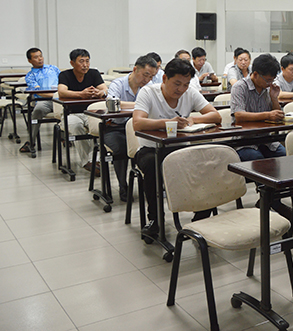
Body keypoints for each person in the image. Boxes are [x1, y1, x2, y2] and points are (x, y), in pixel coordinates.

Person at [133, 58, 221, 238]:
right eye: (177, 84)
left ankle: (200, 219)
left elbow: (215, 116)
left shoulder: (190, 93)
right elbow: (137, 123)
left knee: (209, 162)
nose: (181, 89)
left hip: (180, 149)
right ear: (165, 78)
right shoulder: (148, 92)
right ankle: (155, 219)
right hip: (152, 149)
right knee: (151, 165)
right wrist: (168, 123)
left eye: (186, 84)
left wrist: (193, 119)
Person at [105, 55, 158, 201]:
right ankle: (123, 186)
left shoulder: (149, 87)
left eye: (151, 76)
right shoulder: (118, 84)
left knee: (150, 148)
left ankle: (150, 185)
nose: (147, 79)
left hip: (138, 129)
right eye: (145, 75)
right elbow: (112, 103)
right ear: (135, 69)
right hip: (115, 128)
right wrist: (140, 105)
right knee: (121, 148)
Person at [57, 48, 108, 174]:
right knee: (75, 126)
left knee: (103, 126)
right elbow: (61, 92)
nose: (85, 65)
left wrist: (100, 92)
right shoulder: (65, 75)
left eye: (87, 61)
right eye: (81, 61)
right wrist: (81, 94)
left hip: (91, 113)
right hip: (71, 113)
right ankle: (88, 162)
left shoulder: (94, 73)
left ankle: (95, 160)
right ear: (72, 63)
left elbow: (105, 89)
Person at [230, 53, 286, 161]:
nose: (270, 83)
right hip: (244, 140)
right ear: (255, 74)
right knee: (256, 159)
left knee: (283, 154)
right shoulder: (240, 87)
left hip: (265, 139)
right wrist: (267, 115)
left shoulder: (268, 88)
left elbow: (277, 116)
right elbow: (239, 115)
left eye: (272, 80)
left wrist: (274, 98)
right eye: (268, 80)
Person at [21, 48, 61, 154]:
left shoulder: (53, 68)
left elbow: (63, 83)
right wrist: (56, 95)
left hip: (60, 99)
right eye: (36, 57)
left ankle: (65, 137)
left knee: (68, 110)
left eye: (41, 56)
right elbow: (39, 92)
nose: (40, 59)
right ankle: (31, 142)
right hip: (44, 101)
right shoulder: (30, 76)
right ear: (30, 60)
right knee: (37, 111)